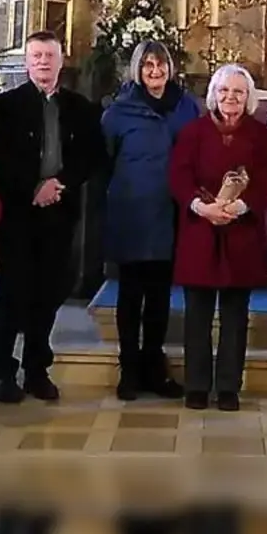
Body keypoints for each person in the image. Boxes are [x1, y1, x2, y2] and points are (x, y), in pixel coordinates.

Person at [0, 32, 103, 405]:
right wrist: (33, 188)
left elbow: (91, 156)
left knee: (48, 293)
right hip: (19, 213)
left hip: (59, 212)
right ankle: (3, 370)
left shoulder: (79, 107)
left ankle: (36, 369)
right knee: (12, 293)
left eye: (49, 56)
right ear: (27, 62)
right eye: (36, 56)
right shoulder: (9, 104)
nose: (42, 62)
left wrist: (59, 183)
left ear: (60, 61)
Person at [169, 63, 267, 411]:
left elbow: (265, 180)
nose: (231, 97)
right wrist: (202, 207)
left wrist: (238, 207)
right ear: (214, 94)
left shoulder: (264, 136)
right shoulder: (192, 132)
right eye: (224, 90)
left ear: (248, 98)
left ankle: (229, 387)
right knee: (197, 316)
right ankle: (197, 386)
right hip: (200, 230)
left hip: (241, 233)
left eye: (238, 92)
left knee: (235, 317)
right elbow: (179, 176)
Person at [101, 41, 200, 401]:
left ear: (170, 68)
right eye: (148, 66)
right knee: (130, 295)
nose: (155, 72)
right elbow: (104, 162)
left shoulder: (186, 106)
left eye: (161, 65)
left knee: (160, 295)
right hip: (131, 213)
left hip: (171, 213)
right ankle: (129, 369)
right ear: (137, 70)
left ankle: (154, 368)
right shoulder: (118, 111)